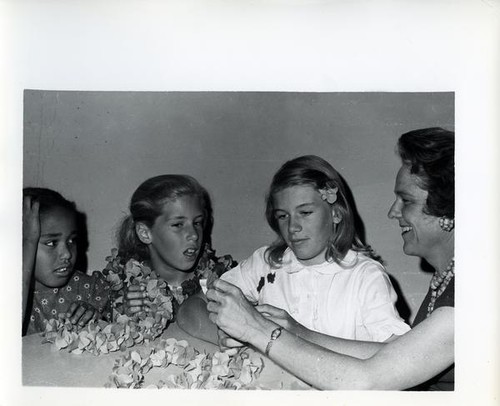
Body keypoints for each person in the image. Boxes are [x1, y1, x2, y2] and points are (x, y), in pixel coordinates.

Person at [206, 127, 455, 390]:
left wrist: (257, 328)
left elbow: (369, 378)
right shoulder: (446, 279)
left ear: (447, 209)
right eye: (283, 216)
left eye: (406, 200)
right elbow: (395, 358)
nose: (392, 212)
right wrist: (294, 333)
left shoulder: (465, 298)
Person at [117, 174, 219, 340]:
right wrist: (126, 314)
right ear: (145, 233)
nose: (193, 235)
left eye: (197, 223)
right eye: (178, 225)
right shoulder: (125, 286)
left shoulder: (223, 279)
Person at [23, 188, 112, 336]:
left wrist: (97, 319)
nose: (67, 253)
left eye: (72, 240)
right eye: (51, 243)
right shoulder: (8, 296)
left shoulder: (90, 289)